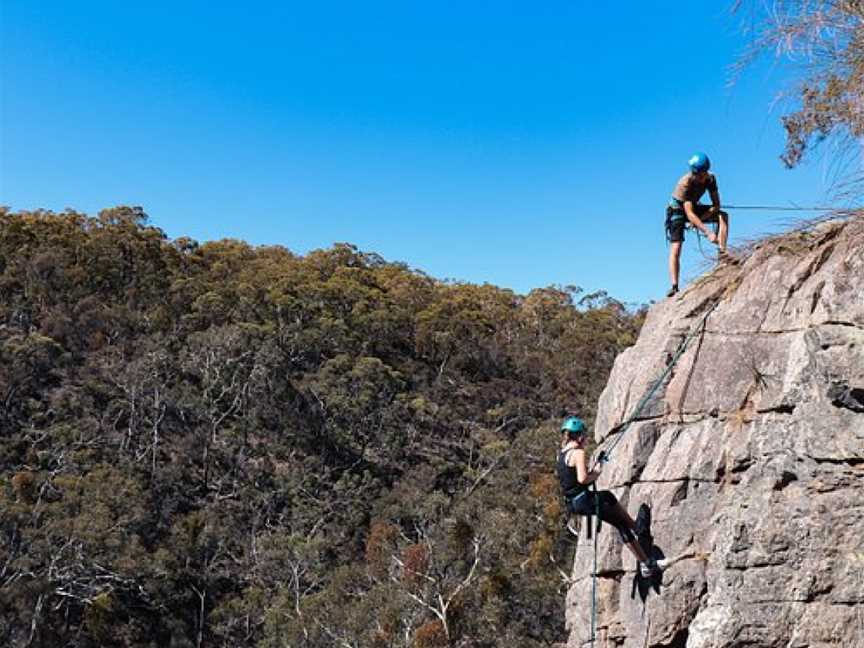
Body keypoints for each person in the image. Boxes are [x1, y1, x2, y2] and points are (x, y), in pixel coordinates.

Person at [556, 416, 662, 578]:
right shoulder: (577, 452)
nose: (585, 439)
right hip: (584, 500)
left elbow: (572, 481)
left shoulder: (562, 455)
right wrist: (597, 472)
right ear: (579, 436)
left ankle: (636, 528)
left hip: (575, 503)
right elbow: (582, 479)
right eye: (584, 435)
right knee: (620, 525)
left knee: (607, 496)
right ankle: (646, 563)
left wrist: (595, 468)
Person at [665, 152, 730, 297]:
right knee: (676, 247)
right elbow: (689, 214)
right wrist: (708, 232)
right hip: (677, 211)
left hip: (693, 208)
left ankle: (722, 253)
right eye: (696, 174)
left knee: (723, 216)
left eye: (701, 174)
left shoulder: (710, 179)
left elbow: (716, 205)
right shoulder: (685, 183)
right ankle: (674, 286)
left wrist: (702, 219)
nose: (699, 177)